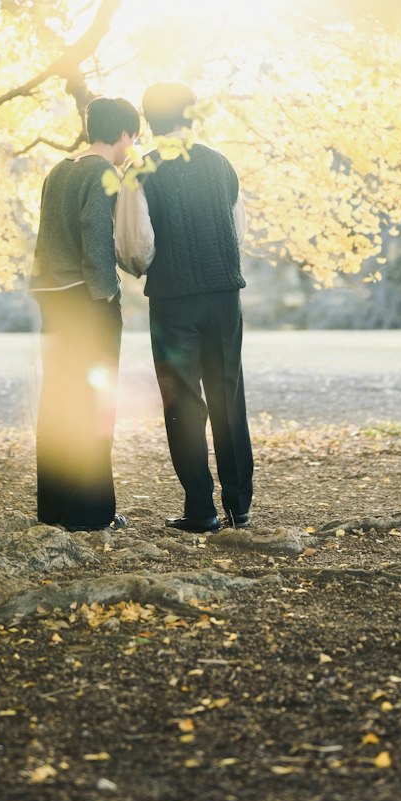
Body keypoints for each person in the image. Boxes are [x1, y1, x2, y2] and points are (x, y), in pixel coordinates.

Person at [115, 82, 254, 533]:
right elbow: (236, 233)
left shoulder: (142, 170)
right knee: (228, 393)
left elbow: (136, 248)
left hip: (175, 300)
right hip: (224, 295)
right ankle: (239, 506)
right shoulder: (220, 165)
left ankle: (201, 509)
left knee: (182, 402)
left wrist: (151, 267)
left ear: (148, 118)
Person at [29, 96, 140, 531]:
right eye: (134, 137)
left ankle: (53, 509)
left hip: (53, 301)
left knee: (57, 401)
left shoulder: (58, 171)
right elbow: (96, 239)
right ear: (125, 134)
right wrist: (109, 296)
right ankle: (91, 513)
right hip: (87, 303)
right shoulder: (102, 173)